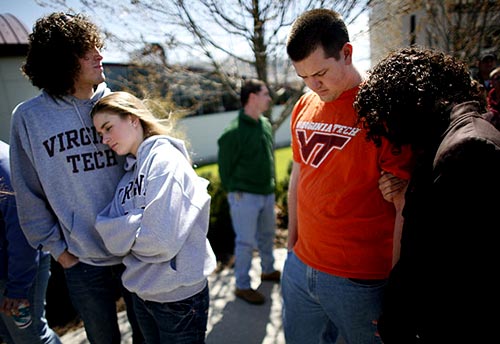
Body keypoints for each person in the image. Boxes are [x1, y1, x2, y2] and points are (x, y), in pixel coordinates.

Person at [9, 12, 143, 344]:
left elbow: (148, 168)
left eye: (98, 47)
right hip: (82, 260)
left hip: (135, 253)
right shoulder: (28, 119)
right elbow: (27, 193)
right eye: (87, 51)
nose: (100, 56)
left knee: (147, 338)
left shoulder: (117, 104)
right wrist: (60, 251)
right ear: (61, 60)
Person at [282, 8, 414, 344]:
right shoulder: (303, 106)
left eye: (321, 73)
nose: (314, 85)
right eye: (304, 77)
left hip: (360, 281)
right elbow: (299, 176)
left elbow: (405, 205)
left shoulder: (383, 111)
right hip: (300, 268)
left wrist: (398, 285)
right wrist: (291, 247)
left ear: (347, 53)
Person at [354, 46, 500, 343]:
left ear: (407, 105)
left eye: (389, 119)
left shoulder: (468, 150)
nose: (391, 133)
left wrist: (400, 318)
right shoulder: (450, 135)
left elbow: (445, 264)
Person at [90, 91, 217, 343]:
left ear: (132, 118)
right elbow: (106, 233)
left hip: (178, 300)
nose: (104, 139)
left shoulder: (165, 161)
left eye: (108, 128)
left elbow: (160, 241)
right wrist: (140, 221)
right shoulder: (128, 174)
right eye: (100, 134)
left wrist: (128, 231)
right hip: (142, 296)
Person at [217, 79, 281, 305]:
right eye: (265, 94)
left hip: (266, 193)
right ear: (252, 97)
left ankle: (268, 270)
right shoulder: (232, 132)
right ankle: (242, 285)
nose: (269, 99)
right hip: (244, 196)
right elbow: (225, 169)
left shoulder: (264, 124)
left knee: (267, 236)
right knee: (245, 242)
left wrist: (270, 189)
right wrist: (234, 192)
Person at [0, 140, 61, 344]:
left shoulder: (3, 164)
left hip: (18, 270)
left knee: (33, 338)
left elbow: (21, 231)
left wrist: (18, 288)